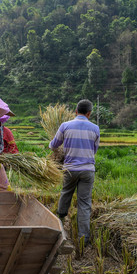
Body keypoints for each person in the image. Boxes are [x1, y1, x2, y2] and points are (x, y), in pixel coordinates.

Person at [49, 99, 100, 245]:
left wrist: (54, 148)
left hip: (70, 169)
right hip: (87, 170)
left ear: (75, 111)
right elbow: (94, 150)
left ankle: (60, 227)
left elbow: (53, 145)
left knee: (66, 194)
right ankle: (84, 238)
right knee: (84, 203)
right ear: (89, 113)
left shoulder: (65, 126)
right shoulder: (95, 128)